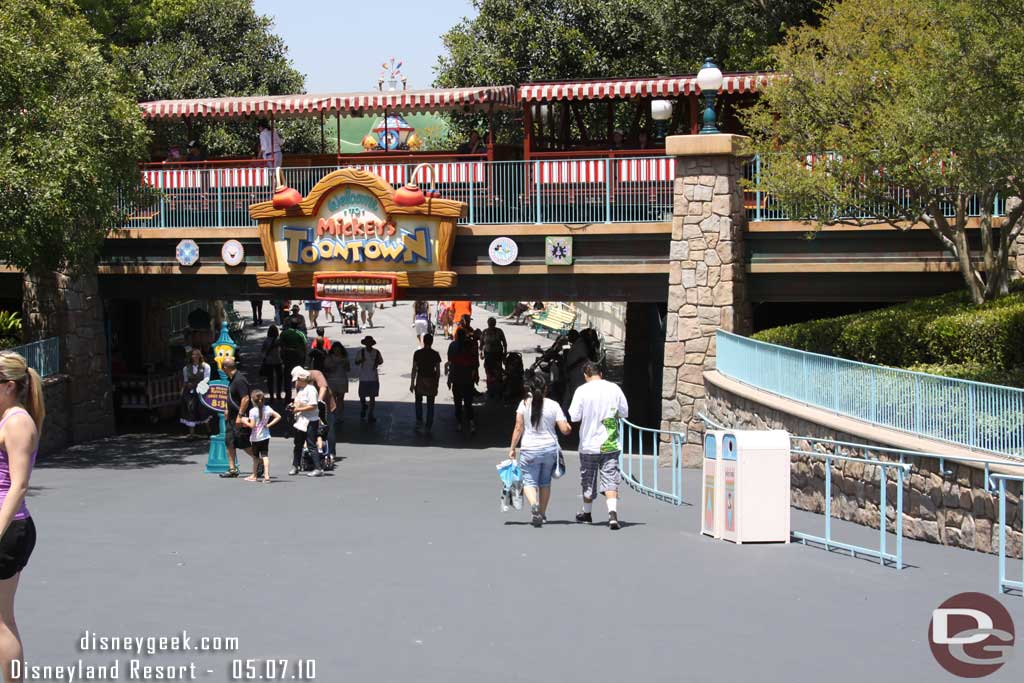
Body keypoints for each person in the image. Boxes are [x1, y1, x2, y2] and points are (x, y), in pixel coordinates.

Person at [0, 352, 44, 678]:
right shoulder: (6, 418)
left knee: (2, 620)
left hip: (8, 528)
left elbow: (19, 485)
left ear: (8, 385)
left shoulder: (17, 422)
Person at [568, 362, 629, 530]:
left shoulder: (582, 390)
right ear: (601, 373)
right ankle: (612, 514)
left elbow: (574, 416)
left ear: (586, 375)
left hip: (589, 444)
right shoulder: (614, 389)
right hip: (610, 443)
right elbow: (624, 412)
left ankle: (587, 513)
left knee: (588, 479)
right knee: (610, 477)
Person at [508, 375, 571, 527]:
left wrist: (512, 448)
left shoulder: (523, 405)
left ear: (529, 388)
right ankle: (542, 514)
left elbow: (518, 427)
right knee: (545, 482)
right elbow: (564, 429)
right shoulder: (553, 405)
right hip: (549, 449)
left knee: (529, 481)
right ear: (546, 389)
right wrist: (568, 427)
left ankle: (534, 505)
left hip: (529, 449)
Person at [219, 357, 252, 479]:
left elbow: (245, 398)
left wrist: (240, 416)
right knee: (229, 442)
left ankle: (258, 461)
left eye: (222, 368)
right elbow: (231, 396)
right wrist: (227, 408)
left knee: (242, 441)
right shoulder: (232, 379)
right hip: (231, 417)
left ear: (225, 368)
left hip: (239, 417)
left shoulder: (239, 380)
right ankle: (232, 469)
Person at [288, 368, 323, 477]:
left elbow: (313, 405)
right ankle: (295, 465)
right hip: (301, 421)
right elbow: (298, 403)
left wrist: (298, 409)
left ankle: (318, 468)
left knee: (311, 444)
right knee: (297, 444)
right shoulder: (301, 390)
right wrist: (293, 406)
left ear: (301, 379)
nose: (295, 383)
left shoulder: (311, 389)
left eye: (296, 380)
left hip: (311, 421)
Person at [242, 390, 281, 483]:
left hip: (256, 437)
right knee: (265, 455)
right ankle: (266, 475)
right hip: (265, 435)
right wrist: (268, 425)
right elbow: (278, 416)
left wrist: (244, 420)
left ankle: (254, 475)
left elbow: (252, 425)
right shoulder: (268, 408)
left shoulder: (252, 411)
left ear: (252, 400)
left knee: (255, 457)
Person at [447, 327, 478, 433]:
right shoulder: (469, 346)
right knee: (468, 403)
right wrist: (475, 376)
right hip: (468, 379)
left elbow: (451, 364)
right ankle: (471, 423)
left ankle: (459, 423)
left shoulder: (452, 346)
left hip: (457, 379)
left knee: (458, 402)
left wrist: (449, 379)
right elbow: (474, 363)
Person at [409, 333, 441, 432]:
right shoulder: (435, 354)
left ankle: (419, 420)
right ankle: (429, 424)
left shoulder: (417, 353)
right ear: (432, 342)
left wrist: (412, 383)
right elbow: (438, 371)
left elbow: (414, 369)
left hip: (420, 379)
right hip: (431, 380)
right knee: (430, 403)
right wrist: (437, 383)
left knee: (418, 400)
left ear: (423, 341)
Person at [179, 348, 212, 437]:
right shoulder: (186, 368)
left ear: (200, 356)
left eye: (197, 355)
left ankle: (208, 431)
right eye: (193, 355)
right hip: (190, 391)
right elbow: (185, 381)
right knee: (191, 409)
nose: (195, 356)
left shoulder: (206, 366)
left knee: (203, 409)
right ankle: (192, 433)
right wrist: (183, 389)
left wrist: (200, 385)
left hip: (202, 389)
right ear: (191, 356)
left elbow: (207, 378)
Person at [306, 366, 337, 459]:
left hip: (326, 406)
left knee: (328, 429)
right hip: (311, 408)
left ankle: (331, 452)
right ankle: (309, 451)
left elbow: (323, 387)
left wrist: (319, 401)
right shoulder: (299, 380)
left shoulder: (316, 373)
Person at [354, 336, 383, 422]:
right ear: (365, 344)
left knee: (372, 397)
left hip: (373, 377)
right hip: (364, 377)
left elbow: (381, 361)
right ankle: (364, 406)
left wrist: (376, 362)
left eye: (370, 342)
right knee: (362, 396)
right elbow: (356, 362)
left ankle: (370, 414)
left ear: (372, 343)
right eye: (367, 343)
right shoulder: (361, 352)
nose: (368, 344)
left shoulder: (377, 352)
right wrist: (361, 360)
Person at [323, 342, 350, 426]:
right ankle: (333, 416)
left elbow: (348, 369)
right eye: (335, 349)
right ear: (333, 350)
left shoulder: (345, 358)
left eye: (338, 349)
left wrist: (345, 364)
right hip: (332, 380)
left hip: (342, 380)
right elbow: (325, 369)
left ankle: (340, 416)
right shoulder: (329, 358)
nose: (337, 351)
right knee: (333, 399)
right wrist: (332, 366)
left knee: (341, 399)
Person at [279, 323, 307, 402]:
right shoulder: (301, 333)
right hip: (298, 357)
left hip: (287, 357)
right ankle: (300, 397)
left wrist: (282, 355)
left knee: (287, 376)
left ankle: (288, 397)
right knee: (299, 376)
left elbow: (280, 344)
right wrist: (304, 357)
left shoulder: (284, 333)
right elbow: (304, 346)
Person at [480, 317, 507, 399]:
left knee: (496, 372)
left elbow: (504, 342)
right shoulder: (485, 332)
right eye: (490, 322)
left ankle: (497, 390)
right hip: (489, 354)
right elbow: (481, 344)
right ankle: (491, 390)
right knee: (490, 372)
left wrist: (505, 352)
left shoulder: (498, 331)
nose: (491, 324)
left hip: (496, 354)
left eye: (492, 322)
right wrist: (481, 352)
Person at [260, 325, 284, 400]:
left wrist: (264, 357)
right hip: (278, 361)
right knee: (279, 379)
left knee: (270, 379)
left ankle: (271, 396)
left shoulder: (266, 340)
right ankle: (278, 394)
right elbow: (282, 350)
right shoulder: (279, 340)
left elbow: (262, 351)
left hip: (268, 362)